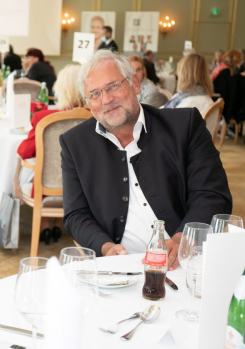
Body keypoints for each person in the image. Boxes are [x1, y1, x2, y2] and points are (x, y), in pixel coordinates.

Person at [60, 50, 232, 270]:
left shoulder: (185, 126)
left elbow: (212, 194)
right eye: (94, 93)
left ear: (135, 83)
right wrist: (105, 247)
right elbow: (76, 214)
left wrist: (182, 239)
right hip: (118, 268)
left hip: (184, 261)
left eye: (113, 86)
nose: (106, 99)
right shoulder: (74, 144)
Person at [17, 65, 85, 244]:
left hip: (48, 186)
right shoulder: (95, 119)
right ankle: (58, 225)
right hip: (85, 189)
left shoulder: (44, 118)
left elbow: (24, 152)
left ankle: (45, 225)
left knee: (45, 167)